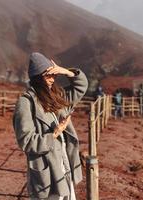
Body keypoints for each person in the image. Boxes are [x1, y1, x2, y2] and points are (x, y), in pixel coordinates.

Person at [13, 52, 88, 199]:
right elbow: (26, 141)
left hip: (64, 162)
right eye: (48, 75)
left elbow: (81, 87)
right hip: (47, 169)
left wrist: (66, 71)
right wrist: (55, 133)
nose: (52, 79)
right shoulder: (26, 102)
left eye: (54, 75)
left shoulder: (57, 96)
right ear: (37, 77)